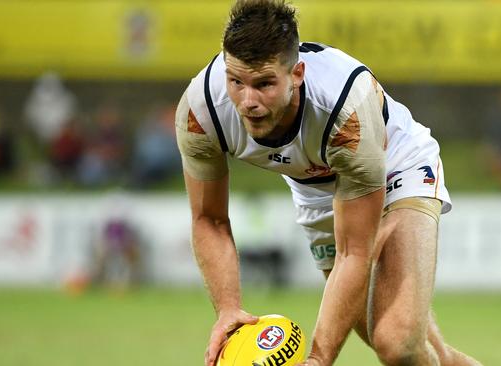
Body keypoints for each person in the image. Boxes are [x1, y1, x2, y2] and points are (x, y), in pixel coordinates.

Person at [176, 1, 481, 365]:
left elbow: (355, 249)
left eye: (265, 84)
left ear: (297, 74)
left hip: (396, 166)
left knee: (396, 341)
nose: (248, 101)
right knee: (417, 353)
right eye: (236, 82)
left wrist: (318, 359)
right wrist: (227, 309)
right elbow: (208, 218)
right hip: (317, 193)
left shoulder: (344, 112)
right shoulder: (202, 109)